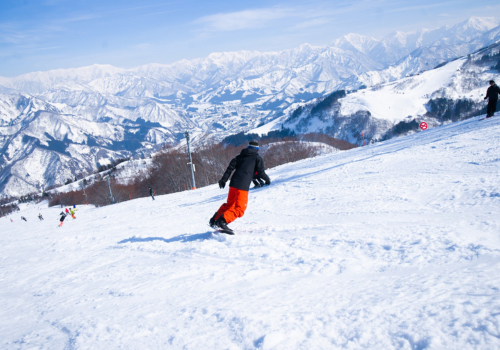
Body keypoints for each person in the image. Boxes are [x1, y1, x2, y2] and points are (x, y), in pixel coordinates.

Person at [209, 140, 270, 233]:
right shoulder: (257, 158)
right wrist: (267, 180)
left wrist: (223, 180)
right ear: (257, 149)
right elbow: (261, 172)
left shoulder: (240, 156)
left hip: (233, 184)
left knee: (229, 205)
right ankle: (223, 221)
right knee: (240, 208)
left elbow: (230, 168)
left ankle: (214, 220)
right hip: (243, 186)